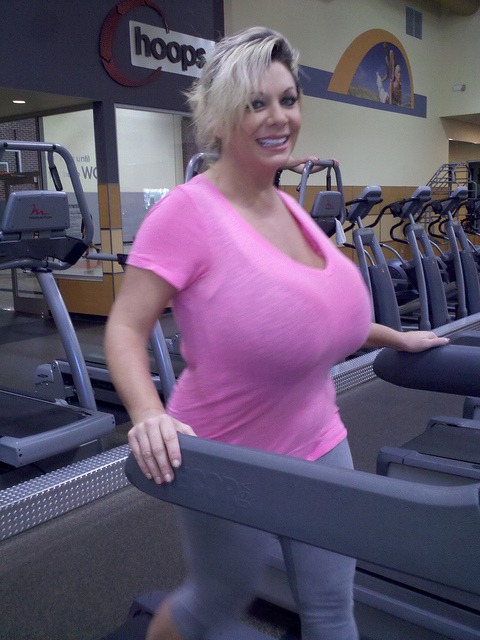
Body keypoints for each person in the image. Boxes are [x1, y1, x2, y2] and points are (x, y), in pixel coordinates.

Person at [104, 26, 449, 640]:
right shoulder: (186, 213)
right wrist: (147, 412)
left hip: (321, 438)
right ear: (219, 119)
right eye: (255, 103)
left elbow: (317, 316)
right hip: (228, 454)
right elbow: (126, 327)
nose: (279, 117)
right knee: (215, 601)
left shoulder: (287, 205)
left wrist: (399, 339)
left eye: (288, 99)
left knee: (332, 608)